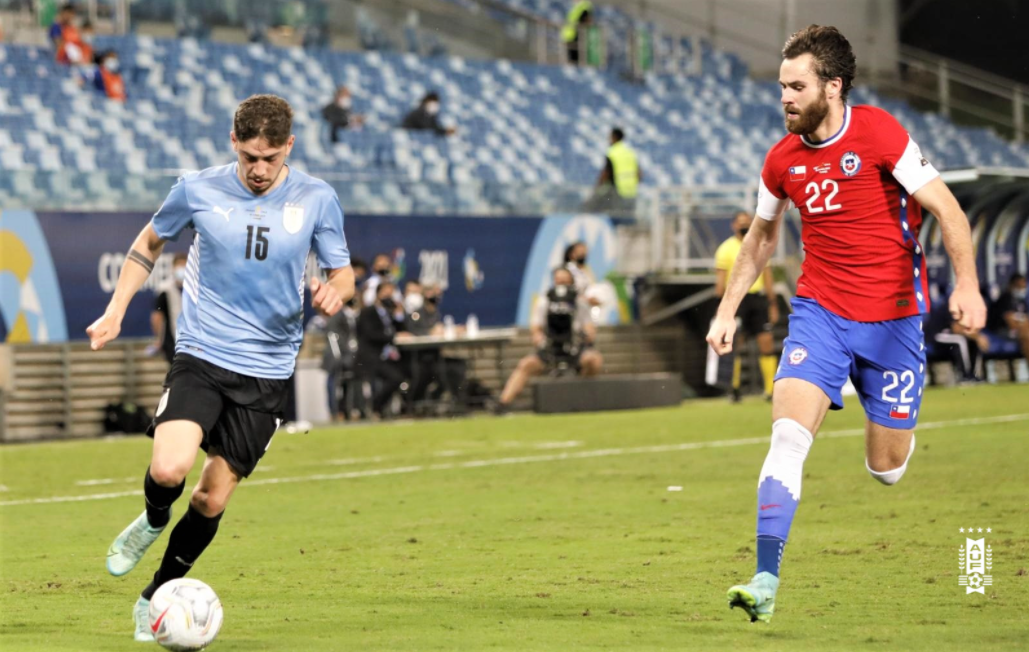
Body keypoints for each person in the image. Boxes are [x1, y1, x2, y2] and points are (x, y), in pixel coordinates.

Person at [705, 25, 986, 623]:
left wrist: (966, 285)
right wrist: (728, 309)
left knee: (886, 470)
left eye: (796, 86)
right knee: (786, 435)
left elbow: (948, 209)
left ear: (832, 88)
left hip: (893, 322)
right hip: (819, 315)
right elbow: (760, 238)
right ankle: (764, 578)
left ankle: (878, 399)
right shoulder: (781, 159)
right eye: (781, 86)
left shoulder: (881, 134)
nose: (784, 97)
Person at [86, 94, 355, 641]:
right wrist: (115, 310)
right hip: (204, 353)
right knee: (168, 470)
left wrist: (336, 293)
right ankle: (154, 518)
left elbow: (342, 273)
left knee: (210, 497)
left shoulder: (317, 198)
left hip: (268, 370)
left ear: (289, 148)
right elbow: (149, 241)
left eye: (271, 158)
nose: (259, 170)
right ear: (233, 143)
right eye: (250, 157)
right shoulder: (197, 188)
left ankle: (155, 595)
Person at [496, 267, 603, 411]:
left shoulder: (579, 302)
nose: (562, 284)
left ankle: (586, 399)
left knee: (594, 360)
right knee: (526, 364)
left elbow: (590, 330)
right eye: (558, 281)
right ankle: (503, 403)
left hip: (574, 347)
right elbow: (536, 328)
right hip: (551, 348)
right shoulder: (544, 301)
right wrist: (539, 339)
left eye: (565, 281)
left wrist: (586, 335)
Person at [714, 211, 780, 401]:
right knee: (735, 343)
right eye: (741, 223)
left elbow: (767, 276)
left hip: (757, 299)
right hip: (737, 300)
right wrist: (721, 308)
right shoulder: (725, 249)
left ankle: (770, 389)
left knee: (766, 341)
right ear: (733, 225)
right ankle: (734, 389)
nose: (744, 226)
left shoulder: (759, 245)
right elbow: (720, 282)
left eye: (747, 223)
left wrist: (772, 303)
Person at [356, 280, 407, 418]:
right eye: (386, 294)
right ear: (378, 294)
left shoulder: (390, 314)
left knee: (412, 370)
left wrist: (399, 314)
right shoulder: (368, 312)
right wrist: (392, 337)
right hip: (371, 357)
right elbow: (370, 334)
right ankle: (375, 407)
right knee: (395, 378)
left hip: (389, 357)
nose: (389, 297)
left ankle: (405, 408)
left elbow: (402, 330)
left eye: (391, 294)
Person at [321, 297, 361, 421]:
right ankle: (335, 412)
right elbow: (333, 337)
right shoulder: (337, 316)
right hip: (335, 357)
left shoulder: (352, 317)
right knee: (333, 384)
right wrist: (340, 355)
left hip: (347, 356)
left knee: (347, 384)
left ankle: (346, 411)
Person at [585, 128, 640, 216]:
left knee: (612, 214)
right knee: (627, 217)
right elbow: (639, 173)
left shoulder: (612, 152)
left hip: (616, 191)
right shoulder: (630, 153)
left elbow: (606, 173)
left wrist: (597, 187)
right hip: (631, 191)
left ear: (614, 137)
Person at [150, 252, 188, 364]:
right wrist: (159, 339)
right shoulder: (165, 290)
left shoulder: (196, 288)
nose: (182, 269)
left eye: (184, 266)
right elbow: (157, 317)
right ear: (173, 268)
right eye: (179, 266)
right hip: (172, 341)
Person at [982, 273, 1029, 361]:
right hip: (1001, 331)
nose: (1022, 290)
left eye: (1023, 287)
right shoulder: (1005, 299)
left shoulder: (1021, 301)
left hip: (1017, 332)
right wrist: (1022, 324)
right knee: (1027, 337)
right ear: (1011, 285)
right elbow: (1011, 323)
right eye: (1018, 287)